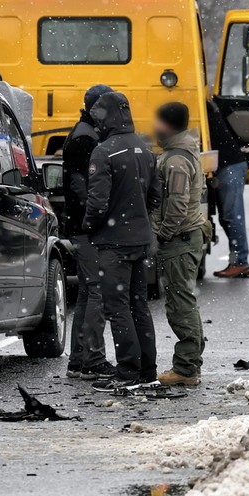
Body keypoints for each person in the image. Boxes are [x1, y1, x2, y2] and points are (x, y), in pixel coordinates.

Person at [82, 91, 161, 391]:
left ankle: (127, 372)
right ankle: (147, 369)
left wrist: (89, 226)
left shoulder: (104, 152)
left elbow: (98, 202)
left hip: (114, 243)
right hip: (141, 240)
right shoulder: (144, 148)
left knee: (117, 307)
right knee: (139, 305)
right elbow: (155, 196)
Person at [61, 84, 117, 380]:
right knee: (97, 292)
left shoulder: (83, 133)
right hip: (88, 229)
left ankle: (79, 361)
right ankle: (92, 360)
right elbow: (80, 185)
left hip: (81, 226)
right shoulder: (87, 138)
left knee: (87, 292)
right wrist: (95, 218)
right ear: (97, 109)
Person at [150, 103, 206, 387]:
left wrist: (162, 233)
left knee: (180, 304)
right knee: (182, 301)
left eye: (157, 122)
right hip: (184, 237)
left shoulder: (176, 160)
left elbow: (177, 204)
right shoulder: (178, 153)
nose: (153, 127)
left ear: (167, 125)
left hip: (180, 239)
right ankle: (190, 361)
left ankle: (185, 368)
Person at [207, 99, 249, 277]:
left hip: (229, 166)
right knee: (228, 218)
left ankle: (240, 261)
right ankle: (238, 261)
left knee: (232, 216)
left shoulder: (204, 107)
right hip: (228, 164)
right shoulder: (208, 104)